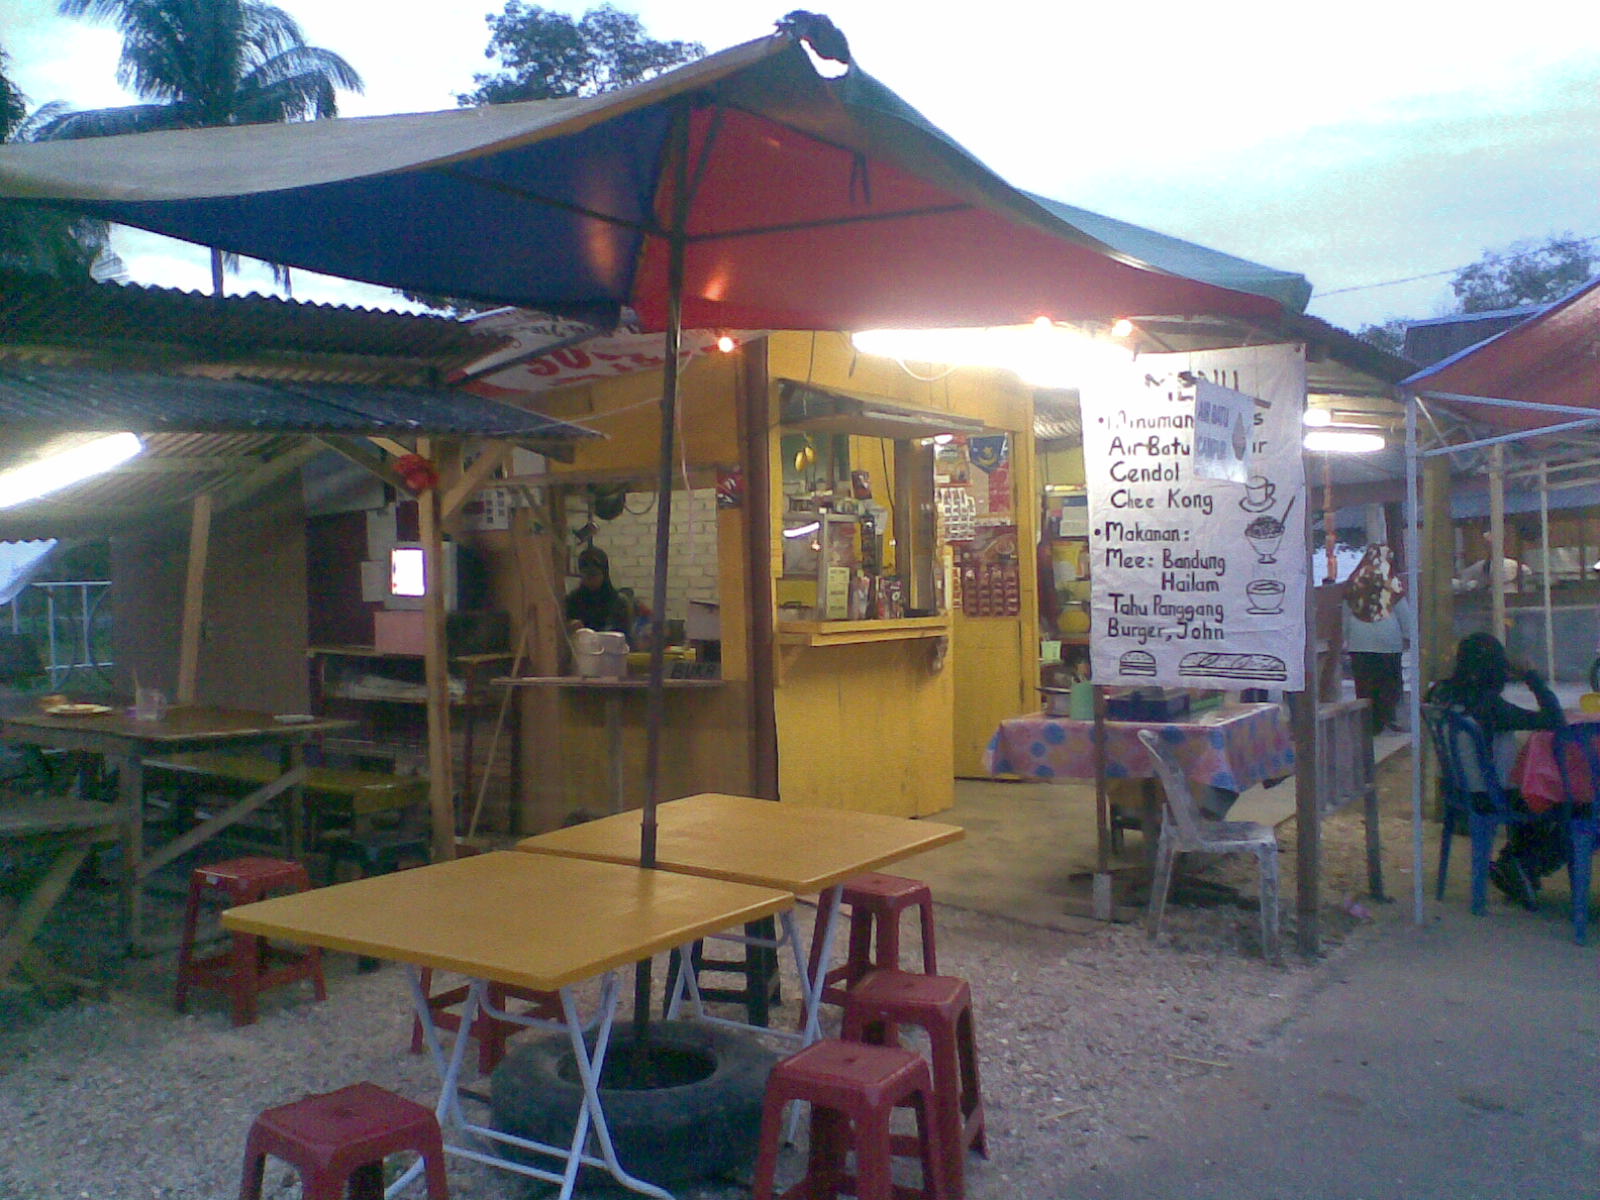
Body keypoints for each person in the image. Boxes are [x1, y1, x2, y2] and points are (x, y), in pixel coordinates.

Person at [1425, 632, 1566, 909]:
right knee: (1574, 809)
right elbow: (1555, 720)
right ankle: (1524, 865)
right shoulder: (1489, 707)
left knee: (1537, 800)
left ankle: (1515, 864)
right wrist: (1531, 677)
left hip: (1458, 789)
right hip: (1492, 795)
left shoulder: (1439, 693)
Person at [1341, 544, 1414, 733]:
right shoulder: (1390, 580)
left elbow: (1346, 613)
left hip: (1359, 641)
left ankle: (1369, 723)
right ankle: (1388, 717)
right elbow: (1402, 610)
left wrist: (1344, 637)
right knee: (1389, 682)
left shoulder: (1354, 580)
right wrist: (1410, 634)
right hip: (1388, 639)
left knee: (1365, 684)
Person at [564, 546, 632, 638]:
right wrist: (570, 627)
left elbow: (626, 639)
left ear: (604, 574)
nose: (591, 580)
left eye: (594, 575)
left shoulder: (618, 602)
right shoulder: (573, 601)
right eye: (586, 575)